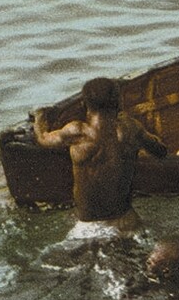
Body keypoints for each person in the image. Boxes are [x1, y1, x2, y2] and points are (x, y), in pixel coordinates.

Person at [32, 76, 168, 236]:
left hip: (89, 226)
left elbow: (43, 139)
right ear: (119, 103)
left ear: (84, 104)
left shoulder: (77, 132)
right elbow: (161, 151)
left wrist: (39, 117)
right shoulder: (131, 129)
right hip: (126, 221)